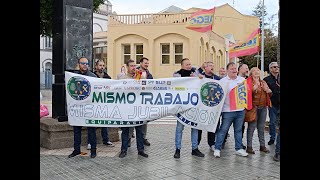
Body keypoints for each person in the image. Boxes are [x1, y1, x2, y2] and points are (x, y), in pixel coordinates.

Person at [214, 62, 248, 158]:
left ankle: (238, 148)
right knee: (223, 130)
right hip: (227, 110)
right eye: (232, 68)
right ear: (227, 70)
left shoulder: (242, 80)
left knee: (238, 130)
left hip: (240, 110)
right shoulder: (223, 81)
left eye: (235, 68)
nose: (234, 70)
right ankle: (217, 148)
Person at [172, 58, 205, 158]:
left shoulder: (195, 73)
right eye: (187, 64)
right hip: (182, 107)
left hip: (193, 106)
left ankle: (195, 149)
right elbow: (175, 83)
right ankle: (177, 149)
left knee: (194, 127)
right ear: (182, 66)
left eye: (190, 64)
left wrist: (197, 77)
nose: (189, 66)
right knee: (179, 128)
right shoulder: (177, 74)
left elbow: (202, 80)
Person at [117, 59, 148, 158]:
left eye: (135, 66)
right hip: (127, 108)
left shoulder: (140, 77)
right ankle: (123, 150)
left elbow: (146, 88)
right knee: (126, 131)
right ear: (127, 67)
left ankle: (141, 150)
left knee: (140, 130)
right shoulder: (123, 78)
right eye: (131, 66)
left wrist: (141, 79)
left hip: (138, 108)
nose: (133, 68)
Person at [68, 57, 98, 158]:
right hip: (78, 109)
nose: (85, 65)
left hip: (89, 108)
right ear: (78, 64)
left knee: (92, 131)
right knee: (76, 130)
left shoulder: (93, 76)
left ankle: (93, 151)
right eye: (82, 63)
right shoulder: (73, 76)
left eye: (86, 63)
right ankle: (76, 150)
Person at [87, 60, 114, 150]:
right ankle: (90, 142)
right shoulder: (91, 76)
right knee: (93, 124)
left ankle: (106, 139)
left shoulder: (107, 77)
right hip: (94, 103)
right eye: (100, 65)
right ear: (96, 66)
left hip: (104, 103)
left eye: (103, 65)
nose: (102, 67)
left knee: (104, 122)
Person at [196, 62, 221, 152]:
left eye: (213, 66)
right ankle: (196, 144)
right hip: (201, 106)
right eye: (210, 66)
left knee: (212, 125)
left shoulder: (217, 78)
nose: (212, 67)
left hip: (213, 106)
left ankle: (211, 143)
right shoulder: (200, 77)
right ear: (205, 68)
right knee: (199, 126)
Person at [246, 67, 271, 154]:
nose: (257, 72)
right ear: (251, 73)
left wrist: (267, 90)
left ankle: (262, 146)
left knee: (261, 127)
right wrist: (253, 89)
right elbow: (245, 95)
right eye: (254, 70)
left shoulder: (263, 82)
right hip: (253, 108)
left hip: (263, 107)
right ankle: (249, 147)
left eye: (258, 70)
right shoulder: (248, 82)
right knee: (251, 128)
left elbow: (269, 93)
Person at [135, 57, 153, 146]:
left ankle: (143, 137)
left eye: (147, 63)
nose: (146, 65)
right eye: (145, 63)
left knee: (144, 120)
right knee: (132, 119)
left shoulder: (149, 75)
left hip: (144, 101)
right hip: (135, 100)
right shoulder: (135, 72)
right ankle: (130, 137)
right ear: (141, 63)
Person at [263, 62, 280, 145]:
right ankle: (272, 138)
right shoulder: (266, 80)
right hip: (272, 104)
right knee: (272, 122)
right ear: (270, 69)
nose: (276, 68)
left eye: (277, 67)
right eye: (274, 67)